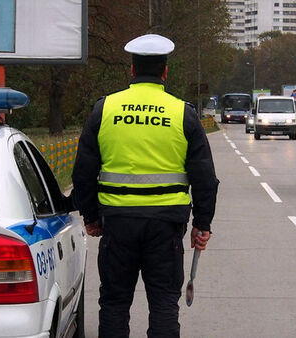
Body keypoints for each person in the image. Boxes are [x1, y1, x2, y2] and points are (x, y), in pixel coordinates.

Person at [72, 34, 219, 338]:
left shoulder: (105, 109)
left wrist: (90, 217)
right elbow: (205, 178)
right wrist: (202, 225)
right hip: (165, 227)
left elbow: (83, 172)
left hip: (117, 224)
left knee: (113, 303)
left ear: (131, 70)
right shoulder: (183, 113)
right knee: (164, 304)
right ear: (165, 71)